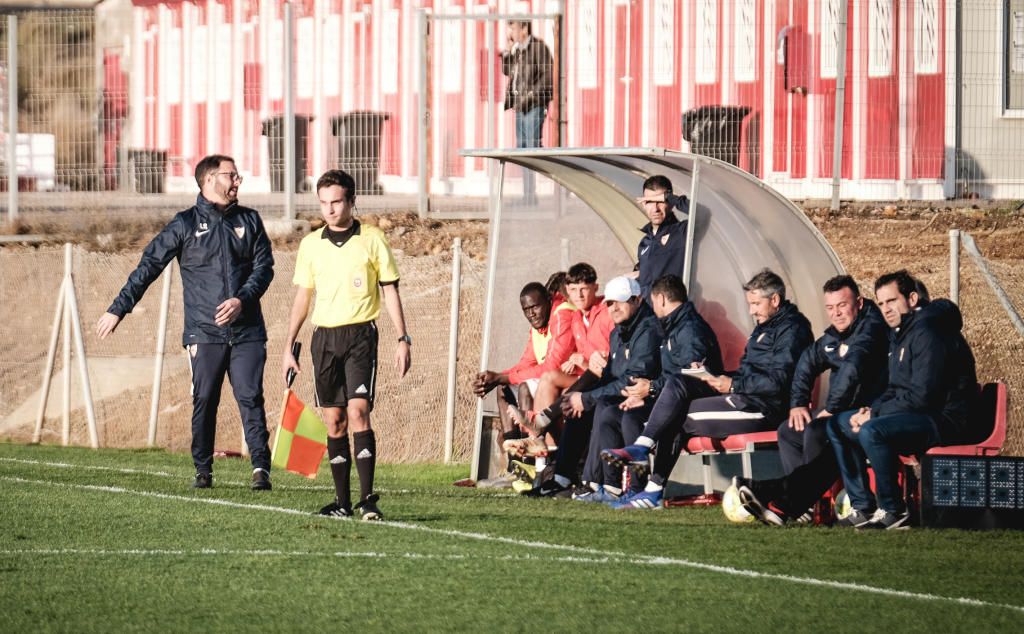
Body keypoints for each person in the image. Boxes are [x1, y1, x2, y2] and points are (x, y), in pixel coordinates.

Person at [96, 154, 275, 491]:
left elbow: (263, 268)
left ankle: (261, 469)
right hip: (204, 333)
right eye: (231, 175)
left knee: (250, 397)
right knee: (205, 398)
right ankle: (203, 469)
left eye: (238, 175)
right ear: (209, 180)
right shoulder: (184, 224)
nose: (238, 181)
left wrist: (242, 300)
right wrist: (118, 309)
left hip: (248, 330)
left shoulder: (250, 220)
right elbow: (148, 266)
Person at [282, 169, 411, 521]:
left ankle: (367, 500)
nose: (330, 209)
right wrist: (288, 345)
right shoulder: (311, 244)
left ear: (352, 201)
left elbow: (389, 289)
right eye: (323, 203)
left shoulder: (372, 239)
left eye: (336, 201)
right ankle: (341, 502)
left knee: (358, 412)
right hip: (323, 339)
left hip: (359, 336)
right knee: (334, 420)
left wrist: (403, 337)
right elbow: (302, 297)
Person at [822, 270, 980, 529]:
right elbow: (896, 387)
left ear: (913, 298)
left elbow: (923, 396)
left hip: (946, 419)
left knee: (873, 431)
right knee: (838, 424)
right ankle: (863, 506)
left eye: (892, 301)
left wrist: (876, 414)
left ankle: (894, 510)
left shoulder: (930, 331)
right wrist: (871, 408)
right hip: (919, 414)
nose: (886, 309)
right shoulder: (901, 333)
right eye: (881, 303)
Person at [527, 276, 660, 499]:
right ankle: (566, 479)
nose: (614, 308)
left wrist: (587, 398)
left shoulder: (647, 330)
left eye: (620, 301)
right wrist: (583, 397)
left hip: (647, 399)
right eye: (609, 303)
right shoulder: (619, 332)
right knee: (581, 405)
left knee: (606, 409)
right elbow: (611, 378)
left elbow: (633, 380)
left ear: (637, 299)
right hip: (624, 396)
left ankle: (613, 485)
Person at [600, 274, 724, 509]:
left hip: (699, 399)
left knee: (668, 418)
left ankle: (647, 471)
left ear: (661, 299)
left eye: (653, 301)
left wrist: (653, 388)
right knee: (627, 416)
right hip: (674, 398)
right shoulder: (672, 325)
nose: (652, 307)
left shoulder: (689, 328)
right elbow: (672, 375)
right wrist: (647, 393)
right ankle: (637, 489)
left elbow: (688, 376)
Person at [682, 268, 813, 440]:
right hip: (745, 401)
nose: (751, 311)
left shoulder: (793, 330)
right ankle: (647, 461)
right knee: (675, 409)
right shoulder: (763, 328)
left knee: (680, 418)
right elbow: (746, 374)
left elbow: (778, 381)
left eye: (756, 304)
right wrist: (714, 375)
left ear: (774, 300)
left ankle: (646, 463)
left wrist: (734, 385)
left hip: (765, 410)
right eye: (750, 304)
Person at [780, 275, 889, 474]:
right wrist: (798, 403)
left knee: (817, 430)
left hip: (870, 410)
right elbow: (807, 361)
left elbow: (853, 368)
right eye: (830, 308)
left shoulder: (872, 329)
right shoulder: (834, 335)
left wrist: (831, 409)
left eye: (842, 305)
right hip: (843, 409)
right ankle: (805, 498)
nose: (836, 313)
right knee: (789, 430)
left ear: (859, 303)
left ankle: (810, 497)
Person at [508, 262, 613, 436]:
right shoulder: (577, 317)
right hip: (586, 375)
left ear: (595, 287)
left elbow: (606, 359)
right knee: (548, 379)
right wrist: (578, 358)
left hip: (603, 378)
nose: (578, 295)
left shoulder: (605, 312)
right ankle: (537, 448)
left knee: (549, 381)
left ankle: (538, 436)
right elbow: (528, 361)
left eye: (583, 289)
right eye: (573, 290)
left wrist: (585, 361)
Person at [473, 281, 575, 455]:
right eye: (526, 310)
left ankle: (530, 459)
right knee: (503, 389)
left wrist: (502, 377)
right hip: (549, 379)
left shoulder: (561, 315)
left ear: (548, 300)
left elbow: (552, 366)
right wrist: (496, 378)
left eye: (535, 307)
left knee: (524, 388)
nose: (531, 314)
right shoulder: (538, 325)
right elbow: (525, 364)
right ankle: (515, 463)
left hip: (568, 381)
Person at [502, 19, 553, 205]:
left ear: (524, 28)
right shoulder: (518, 50)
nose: (511, 32)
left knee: (531, 149)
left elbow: (547, 77)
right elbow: (506, 71)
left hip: (533, 106)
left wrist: (530, 96)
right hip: (520, 107)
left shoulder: (538, 48)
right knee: (522, 150)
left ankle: (533, 194)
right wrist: (508, 50)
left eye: (513, 28)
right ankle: (528, 195)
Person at [634, 175, 690, 298]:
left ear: (670, 203)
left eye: (660, 201)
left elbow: (703, 213)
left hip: (672, 314)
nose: (655, 209)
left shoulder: (682, 232)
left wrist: (669, 197)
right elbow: (647, 280)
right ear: (643, 204)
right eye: (649, 202)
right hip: (649, 314)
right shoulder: (644, 242)